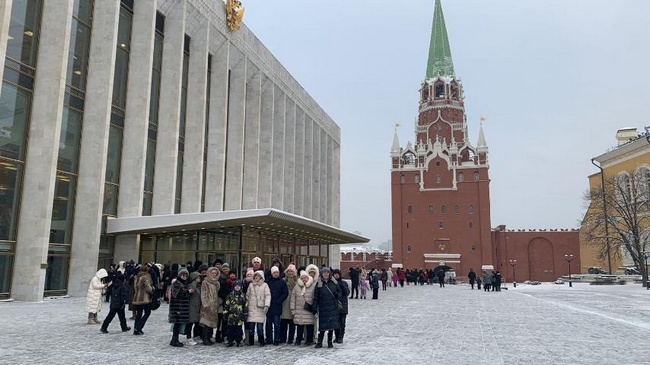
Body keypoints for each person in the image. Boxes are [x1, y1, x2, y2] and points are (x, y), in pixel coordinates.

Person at [312, 268, 341, 348]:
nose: (326, 274)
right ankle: (320, 342)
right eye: (324, 273)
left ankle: (329, 342)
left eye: (327, 273)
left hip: (332, 307)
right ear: (321, 274)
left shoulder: (333, 282)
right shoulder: (319, 283)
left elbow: (339, 291)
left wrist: (337, 295)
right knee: (322, 326)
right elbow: (316, 296)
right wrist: (314, 307)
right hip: (323, 307)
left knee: (331, 326)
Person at [290, 270, 316, 346]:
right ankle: (298, 340)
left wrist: (314, 307)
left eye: (305, 278)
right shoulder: (297, 286)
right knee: (299, 326)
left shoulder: (313, 286)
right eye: (302, 278)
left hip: (308, 310)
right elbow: (293, 298)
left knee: (309, 326)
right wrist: (292, 308)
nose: (304, 279)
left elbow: (315, 297)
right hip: (299, 310)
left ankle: (309, 340)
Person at [246, 270, 271, 346]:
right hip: (251, 308)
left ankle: (261, 341)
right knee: (251, 327)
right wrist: (247, 304)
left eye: (258, 276)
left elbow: (268, 296)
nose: (256, 278)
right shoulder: (251, 285)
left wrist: (267, 305)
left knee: (260, 327)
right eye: (255, 276)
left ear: (261, 277)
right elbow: (247, 295)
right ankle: (251, 341)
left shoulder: (265, 285)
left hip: (260, 308)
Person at [169, 268, 192, 347]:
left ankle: (175, 339)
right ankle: (174, 339)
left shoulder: (184, 283)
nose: (184, 277)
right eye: (183, 275)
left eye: (186, 275)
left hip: (182, 307)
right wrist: (187, 292)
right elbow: (177, 295)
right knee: (177, 324)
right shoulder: (177, 283)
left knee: (178, 324)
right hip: (177, 307)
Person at [266, 266, 289, 345]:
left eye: (277, 272)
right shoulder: (268, 281)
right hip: (269, 305)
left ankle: (277, 339)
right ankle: (269, 339)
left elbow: (285, 293)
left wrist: (279, 300)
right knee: (268, 324)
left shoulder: (282, 282)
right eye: (274, 273)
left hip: (277, 305)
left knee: (277, 324)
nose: (276, 274)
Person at [199, 267, 220, 346]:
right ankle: (205, 338)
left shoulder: (217, 283)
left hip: (214, 305)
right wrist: (205, 304)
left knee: (211, 322)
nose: (214, 275)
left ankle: (209, 337)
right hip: (207, 305)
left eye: (215, 273)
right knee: (206, 322)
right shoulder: (205, 282)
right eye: (212, 273)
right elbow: (203, 294)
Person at [224, 280, 248, 347]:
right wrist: (225, 313)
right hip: (231, 316)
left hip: (239, 316)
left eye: (239, 286)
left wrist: (245, 314)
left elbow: (245, 306)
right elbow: (226, 305)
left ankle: (238, 341)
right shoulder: (230, 295)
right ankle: (230, 341)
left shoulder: (243, 296)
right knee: (230, 329)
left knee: (239, 329)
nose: (237, 287)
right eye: (236, 286)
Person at [132, 265, 153, 335]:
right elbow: (148, 287)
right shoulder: (145, 277)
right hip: (144, 297)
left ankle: (136, 329)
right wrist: (152, 289)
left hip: (137, 297)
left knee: (139, 314)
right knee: (147, 312)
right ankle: (139, 327)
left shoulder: (137, 277)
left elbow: (135, 287)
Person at [280, 264, 298, 344]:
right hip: (284, 303)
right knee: (283, 322)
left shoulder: (297, 281)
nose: (290, 273)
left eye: (291, 271)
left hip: (293, 303)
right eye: (289, 271)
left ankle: (290, 338)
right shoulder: (283, 280)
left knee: (292, 323)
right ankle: (282, 338)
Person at [332, 269, 349, 343]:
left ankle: (340, 337)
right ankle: (337, 336)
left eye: (338, 274)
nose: (336, 275)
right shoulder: (332, 283)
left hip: (343, 306)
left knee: (342, 323)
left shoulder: (343, 283)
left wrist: (343, 287)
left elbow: (347, 292)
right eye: (335, 274)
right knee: (336, 323)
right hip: (334, 306)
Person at [185, 271, 202, 345]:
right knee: (190, 322)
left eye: (199, 277)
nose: (199, 279)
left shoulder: (199, 286)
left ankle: (196, 336)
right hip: (192, 307)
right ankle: (189, 337)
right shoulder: (192, 285)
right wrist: (194, 283)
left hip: (197, 306)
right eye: (197, 278)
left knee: (197, 322)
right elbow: (191, 291)